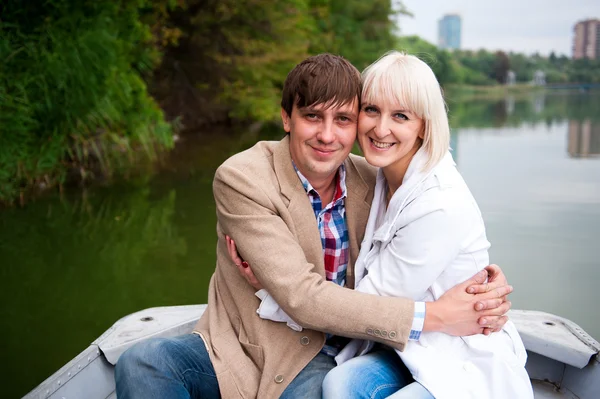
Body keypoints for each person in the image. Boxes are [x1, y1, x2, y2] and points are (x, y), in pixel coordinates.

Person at [115, 53, 514, 399]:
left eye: (343, 119)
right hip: (241, 349)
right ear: (287, 118)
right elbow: (302, 296)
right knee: (143, 362)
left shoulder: (372, 178)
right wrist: (437, 314)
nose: (327, 135)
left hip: (323, 353)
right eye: (312, 117)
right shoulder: (243, 178)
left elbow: (429, 240)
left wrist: (479, 281)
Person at [240, 52, 533, 398]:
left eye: (401, 116)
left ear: (423, 124)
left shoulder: (439, 204)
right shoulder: (379, 177)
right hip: (400, 347)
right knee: (340, 384)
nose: (381, 129)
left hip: (455, 352)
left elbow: (368, 303)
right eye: (372, 110)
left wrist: (277, 291)